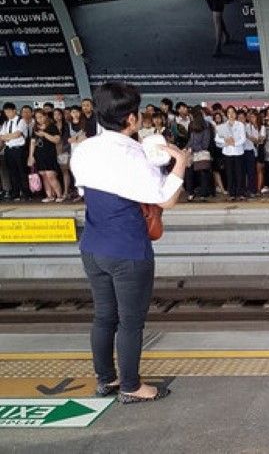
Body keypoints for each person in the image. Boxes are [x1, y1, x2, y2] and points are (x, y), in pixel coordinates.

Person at [71, 82, 188, 403]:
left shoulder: (84, 149)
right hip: (128, 250)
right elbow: (165, 199)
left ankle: (106, 380)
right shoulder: (134, 155)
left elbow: (86, 191)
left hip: (92, 246)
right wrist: (180, 163)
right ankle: (132, 386)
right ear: (132, 120)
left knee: (103, 316)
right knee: (131, 322)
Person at [27, 109, 63, 203]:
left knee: (50, 175)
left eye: (41, 117)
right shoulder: (35, 128)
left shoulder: (52, 126)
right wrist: (31, 156)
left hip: (49, 153)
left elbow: (56, 140)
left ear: (45, 116)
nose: (39, 119)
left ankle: (59, 195)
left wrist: (44, 134)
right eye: (37, 118)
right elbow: (33, 142)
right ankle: (49, 195)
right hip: (39, 154)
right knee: (43, 175)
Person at [0, 102, 31, 201]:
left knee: (22, 172)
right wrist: (8, 137)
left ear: (14, 111)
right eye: (6, 112)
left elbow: (17, 134)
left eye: (9, 111)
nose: (7, 114)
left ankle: (26, 194)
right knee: (12, 172)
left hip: (19, 150)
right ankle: (15, 193)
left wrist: (8, 137)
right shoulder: (6, 123)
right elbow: (1, 137)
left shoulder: (20, 121)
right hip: (9, 150)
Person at [215, 106, 247, 201]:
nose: (231, 114)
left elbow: (243, 139)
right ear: (226, 114)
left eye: (233, 112)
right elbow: (216, 138)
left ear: (235, 114)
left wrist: (234, 143)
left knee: (239, 173)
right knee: (229, 174)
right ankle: (232, 193)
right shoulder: (222, 126)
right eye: (229, 112)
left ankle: (241, 193)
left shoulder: (240, 125)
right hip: (227, 153)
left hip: (238, 152)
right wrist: (225, 141)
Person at [185, 107, 213, 202]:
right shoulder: (192, 125)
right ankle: (198, 194)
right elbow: (191, 139)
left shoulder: (206, 125)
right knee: (196, 174)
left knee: (198, 174)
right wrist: (186, 148)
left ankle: (195, 194)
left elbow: (205, 143)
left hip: (199, 153)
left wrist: (192, 148)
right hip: (194, 153)